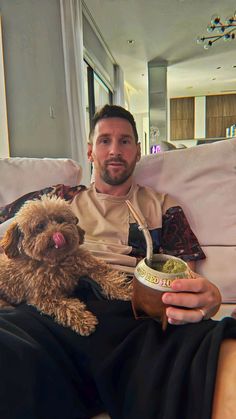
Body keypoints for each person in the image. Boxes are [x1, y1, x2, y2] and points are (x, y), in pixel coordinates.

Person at [0, 105, 235, 419]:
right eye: (104, 141)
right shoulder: (60, 196)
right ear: (90, 151)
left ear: (137, 152)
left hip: (127, 312)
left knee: (216, 354)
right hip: (47, 304)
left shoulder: (163, 206)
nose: (114, 150)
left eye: (125, 141)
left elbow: (184, 276)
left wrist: (206, 298)